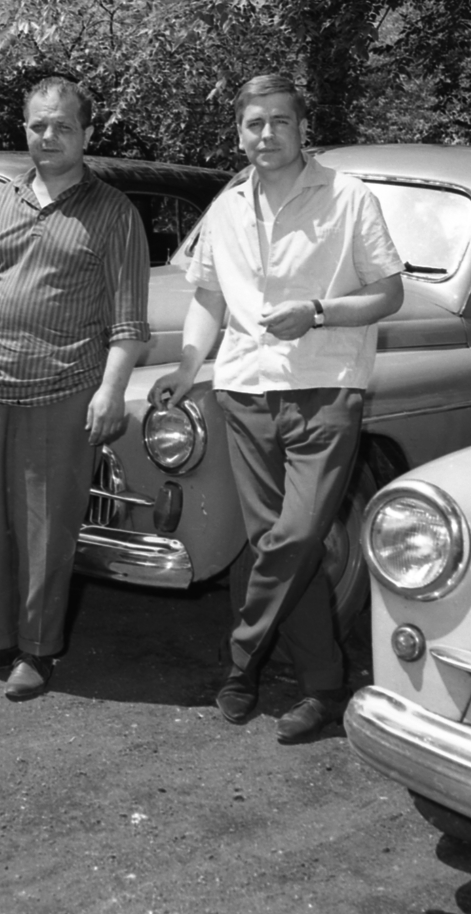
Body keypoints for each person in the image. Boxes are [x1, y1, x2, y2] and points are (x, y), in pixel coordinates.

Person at [149, 73, 404, 742]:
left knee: (294, 537)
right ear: (240, 132)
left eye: (279, 122)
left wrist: (319, 311)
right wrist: (186, 367)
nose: (266, 135)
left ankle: (240, 660)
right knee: (275, 544)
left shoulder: (348, 197)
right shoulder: (228, 205)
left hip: (325, 386)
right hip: (243, 388)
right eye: (254, 124)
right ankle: (325, 686)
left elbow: (389, 292)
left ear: (302, 128)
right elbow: (207, 295)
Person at [0, 78, 150, 700]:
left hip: (64, 394)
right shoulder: (0, 202)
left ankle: (36, 650)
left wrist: (111, 391)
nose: (47, 137)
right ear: (24, 128)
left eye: (61, 126)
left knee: (46, 533)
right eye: (36, 125)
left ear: (86, 134)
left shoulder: (113, 213)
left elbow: (130, 322)